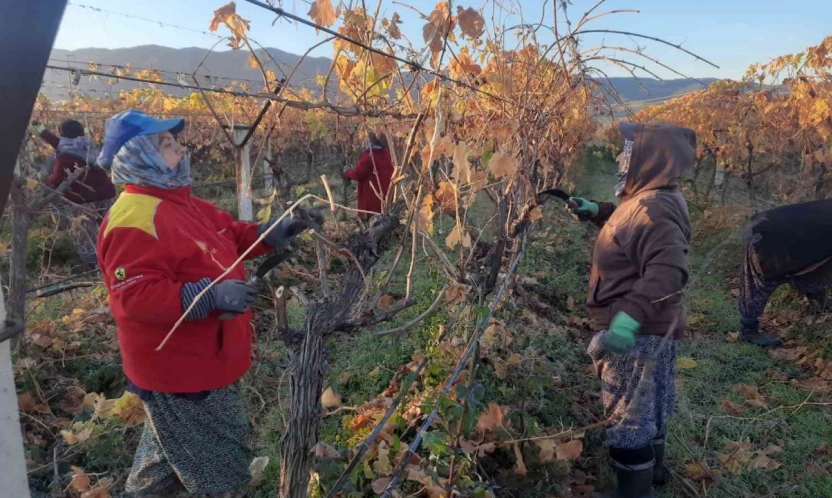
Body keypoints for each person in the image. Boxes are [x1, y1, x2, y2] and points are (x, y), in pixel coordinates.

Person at [95, 110, 308, 497]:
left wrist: (270, 233)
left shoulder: (180, 201)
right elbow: (134, 298)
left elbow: (227, 234)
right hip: (181, 367)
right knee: (219, 465)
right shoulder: (133, 218)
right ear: (138, 154)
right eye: (167, 144)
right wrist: (207, 295)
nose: (181, 149)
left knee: (167, 448)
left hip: (203, 357)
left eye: (177, 142)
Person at [569, 122, 696, 497]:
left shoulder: (651, 207)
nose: (622, 158)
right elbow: (630, 223)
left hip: (636, 334)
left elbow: (669, 271)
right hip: (652, 328)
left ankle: (634, 492)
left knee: (628, 420)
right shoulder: (653, 198)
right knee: (649, 407)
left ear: (650, 158)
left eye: (629, 150)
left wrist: (628, 318)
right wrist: (599, 212)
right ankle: (654, 474)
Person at [737, 199, 832, 348]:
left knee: (820, 268)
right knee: (762, 282)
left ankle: (818, 302)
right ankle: (748, 330)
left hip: (782, 229)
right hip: (767, 236)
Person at [32, 119, 117, 267]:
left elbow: (56, 180)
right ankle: (119, 255)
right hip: (107, 194)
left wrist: (43, 180)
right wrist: (40, 130)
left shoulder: (64, 156)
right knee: (113, 227)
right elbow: (59, 143)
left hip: (82, 201)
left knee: (85, 234)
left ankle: (93, 265)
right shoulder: (89, 145)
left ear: (64, 135)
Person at [343, 131, 393, 218]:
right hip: (386, 195)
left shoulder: (368, 156)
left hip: (371, 198)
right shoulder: (388, 154)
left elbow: (358, 175)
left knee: (372, 223)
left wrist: (347, 171)